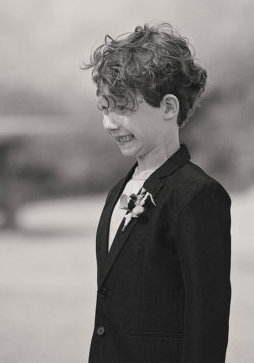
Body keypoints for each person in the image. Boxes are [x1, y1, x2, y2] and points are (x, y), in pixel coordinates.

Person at [84, 23, 231, 363]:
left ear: (168, 108)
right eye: (104, 108)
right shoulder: (117, 191)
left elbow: (207, 311)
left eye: (122, 107)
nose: (110, 122)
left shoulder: (198, 195)